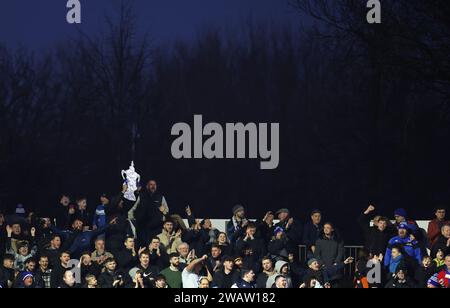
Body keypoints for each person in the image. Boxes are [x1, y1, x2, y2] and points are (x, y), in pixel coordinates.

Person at [134, 180, 169, 247]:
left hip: (156, 228)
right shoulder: (141, 196)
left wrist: (163, 212)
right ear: (147, 186)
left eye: (154, 185)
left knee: (155, 247)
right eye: (151, 184)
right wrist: (134, 220)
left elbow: (166, 211)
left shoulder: (160, 197)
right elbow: (133, 209)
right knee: (143, 246)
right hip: (142, 228)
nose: (153, 186)